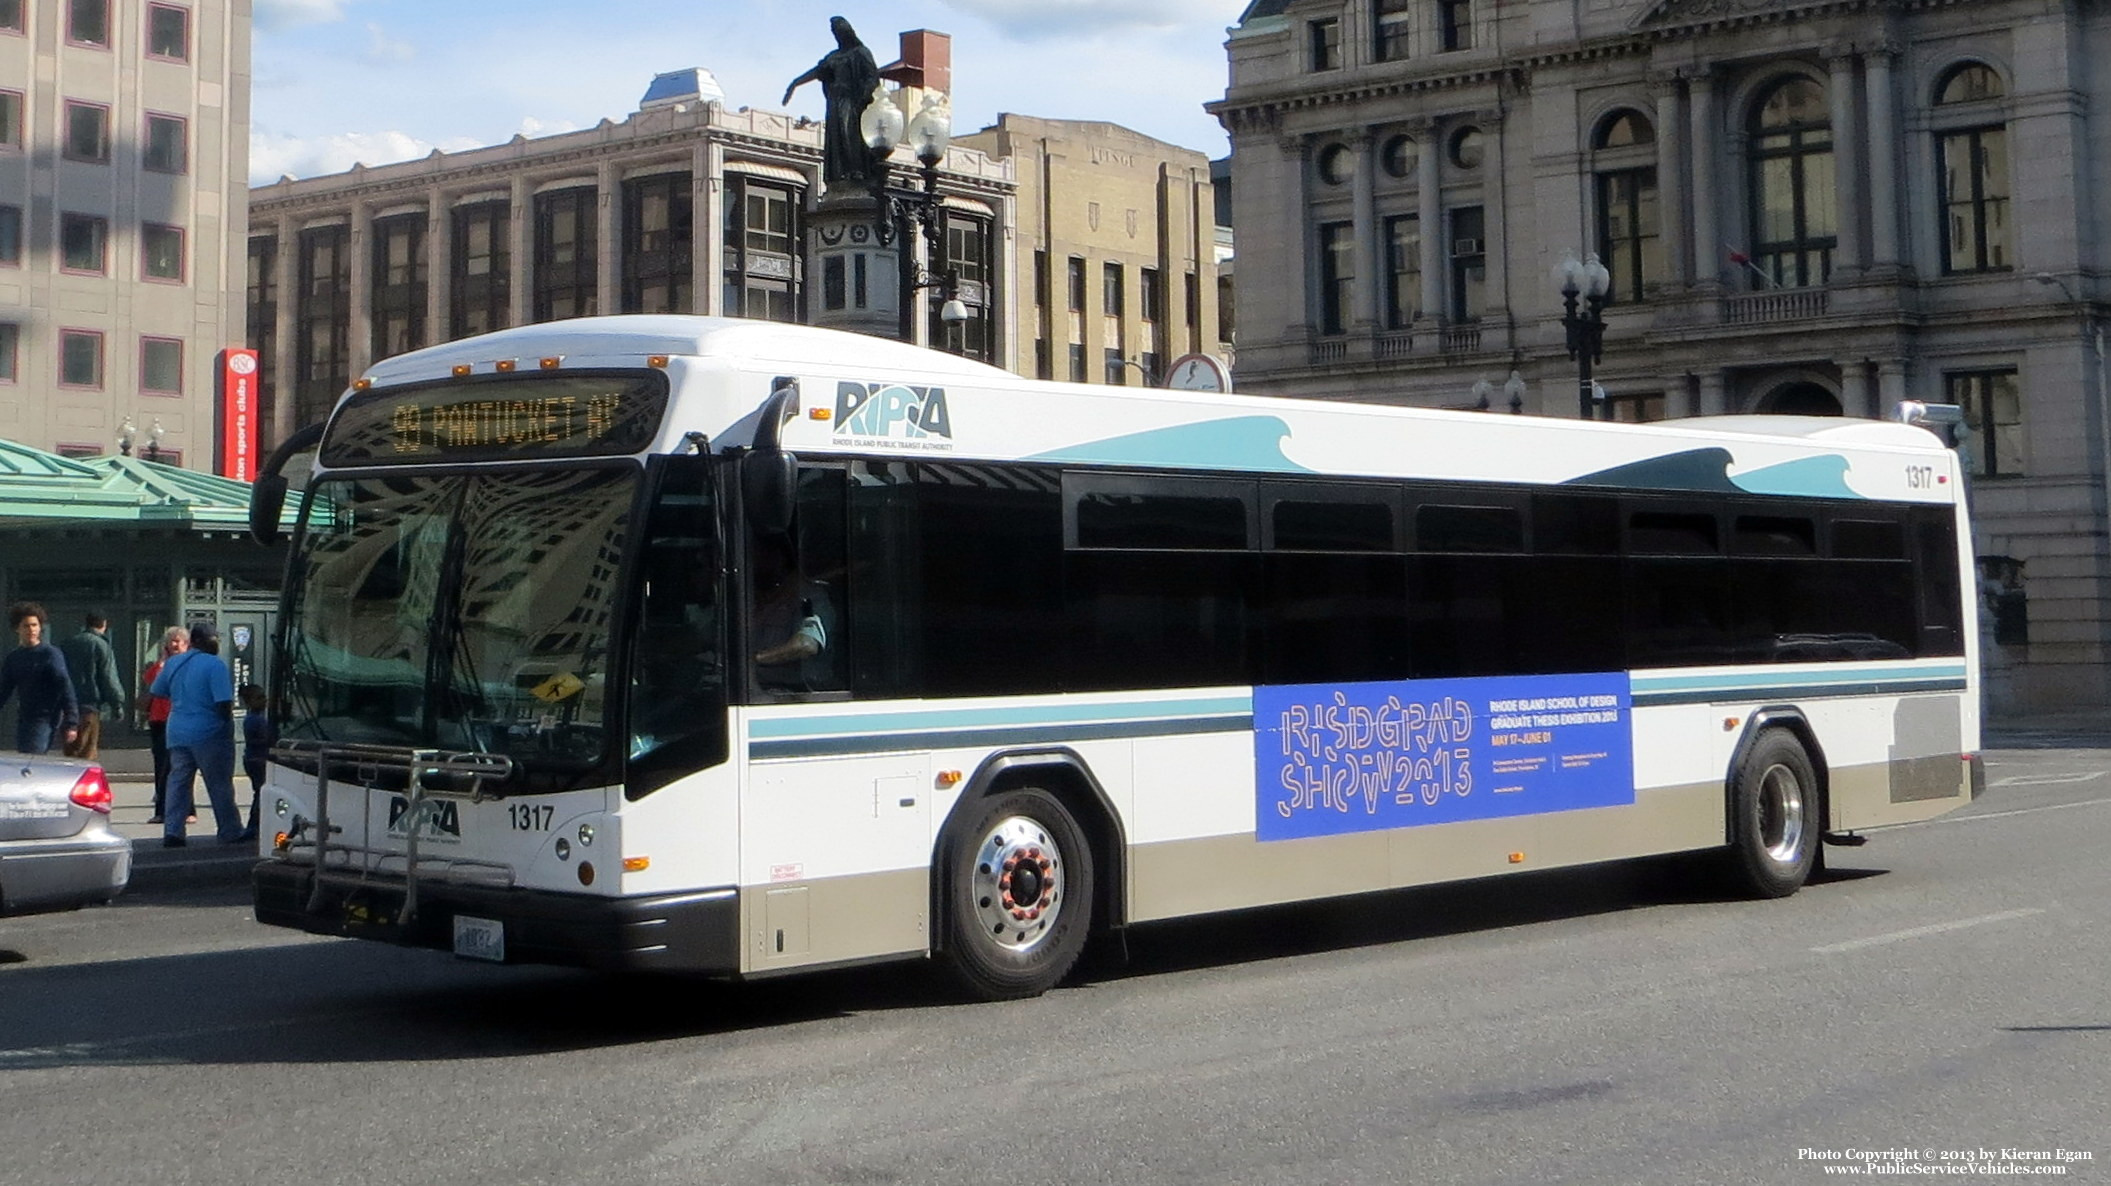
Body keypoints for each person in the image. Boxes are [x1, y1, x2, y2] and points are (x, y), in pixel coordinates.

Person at [149, 621, 243, 847]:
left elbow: (157, 691)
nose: (216, 643)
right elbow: (224, 703)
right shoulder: (215, 665)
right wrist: (226, 727)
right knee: (218, 783)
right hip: (209, 732)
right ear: (202, 641)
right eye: (213, 639)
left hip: (178, 731)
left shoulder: (174, 663)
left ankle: (173, 831)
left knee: (178, 782)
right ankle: (229, 830)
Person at [783, 15, 882, 190]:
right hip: (835, 101)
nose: (837, 35)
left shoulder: (861, 52)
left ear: (848, 32)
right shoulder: (834, 56)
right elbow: (817, 71)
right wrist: (795, 84)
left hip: (852, 101)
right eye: (834, 32)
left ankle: (856, 170)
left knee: (849, 133)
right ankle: (839, 173)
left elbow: (871, 78)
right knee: (836, 137)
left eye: (839, 31)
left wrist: (863, 98)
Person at [751, 536, 835, 691]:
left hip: (795, 693)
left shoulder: (810, 598)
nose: (751, 565)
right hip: (758, 688)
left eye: (756, 557)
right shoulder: (761, 599)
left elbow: (806, 645)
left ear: (778, 559)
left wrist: (753, 660)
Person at [0, 601, 80, 755]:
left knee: (32, 759)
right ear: (17, 629)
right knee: (25, 760)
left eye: (34, 625)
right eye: (26, 626)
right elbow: (4, 689)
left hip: (45, 718)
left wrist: (71, 722)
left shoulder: (50, 655)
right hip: (24, 718)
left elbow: (65, 687)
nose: (31, 630)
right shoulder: (14, 658)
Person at [138, 626, 188, 824]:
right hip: (159, 719)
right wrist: (162, 661)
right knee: (161, 764)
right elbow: (150, 679)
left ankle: (185, 809)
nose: (174, 645)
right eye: (171, 641)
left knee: (181, 765)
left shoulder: (188, 664)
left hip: (179, 718)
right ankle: (161, 809)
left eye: (178, 641)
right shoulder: (162, 665)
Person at [59, 611, 126, 761]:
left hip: (67, 708)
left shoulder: (67, 643)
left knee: (70, 754)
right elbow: (109, 678)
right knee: (86, 753)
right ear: (104, 624)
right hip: (89, 706)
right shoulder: (101, 645)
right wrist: (117, 704)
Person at [238, 683, 273, 843]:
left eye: (264, 697)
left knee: (259, 793)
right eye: (259, 698)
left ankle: (256, 825)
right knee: (260, 793)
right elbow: (262, 739)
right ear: (249, 702)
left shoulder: (257, 719)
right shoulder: (254, 720)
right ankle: (253, 826)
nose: (264, 700)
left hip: (255, 759)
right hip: (257, 760)